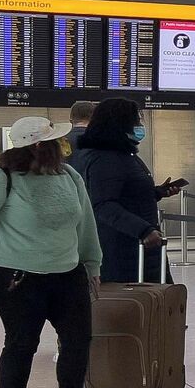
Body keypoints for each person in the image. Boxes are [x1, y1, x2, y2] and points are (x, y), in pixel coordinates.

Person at [0, 117, 113, 388]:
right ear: (41, 146)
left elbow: (85, 225)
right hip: (16, 276)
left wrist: (92, 264)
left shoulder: (68, 176)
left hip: (67, 271)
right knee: (22, 341)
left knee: (78, 337)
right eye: (58, 142)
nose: (64, 148)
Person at [72, 98, 176, 284]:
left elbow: (125, 193)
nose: (138, 125)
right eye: (135, 120)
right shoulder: (105, 158)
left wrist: (157, 192)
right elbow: (104, 204)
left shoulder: (122, 154)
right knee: (138, 306)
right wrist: (144, 230)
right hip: (126, 250)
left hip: (141, 247)